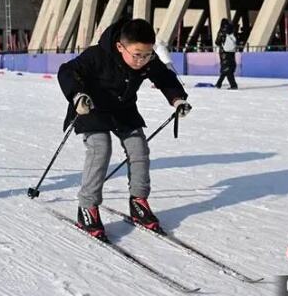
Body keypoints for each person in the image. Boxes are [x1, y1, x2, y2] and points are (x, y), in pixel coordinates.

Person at [57, 18, 192, 239]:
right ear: (121, 47)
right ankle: (87, 207)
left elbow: (164, 77)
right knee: (101, 148)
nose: (142, 61)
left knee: (139, 149)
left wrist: (177, 99)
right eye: (137, 55)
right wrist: (77, 95)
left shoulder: (147, 59)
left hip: (122, 108)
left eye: (147, 55)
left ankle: (138, 201)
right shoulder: (97, 55)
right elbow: (67, 71)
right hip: (91, 107)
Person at [214, 18, 238, 89]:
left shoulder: (222, 31)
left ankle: (232, 85)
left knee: (226, 69)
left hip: (224, 52)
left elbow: (217, 42)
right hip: (232, 52)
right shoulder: (232, 30)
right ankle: (219, 83)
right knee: (228, 68)